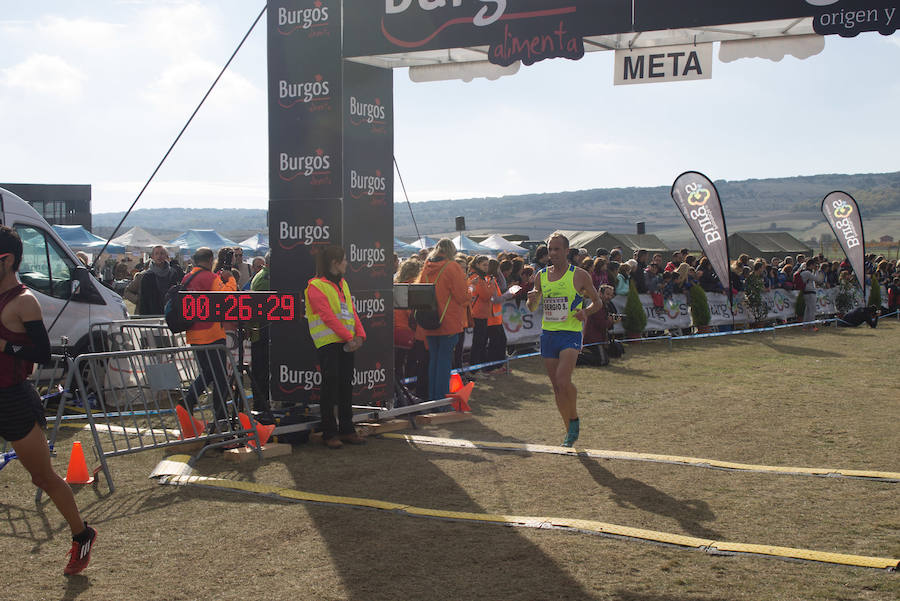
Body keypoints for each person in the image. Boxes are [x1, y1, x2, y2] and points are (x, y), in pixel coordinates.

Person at [0, 226, 97, 575]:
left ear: (7, 260)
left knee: (43, 478)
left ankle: (82, 533)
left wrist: (7, 346)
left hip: (13, 399)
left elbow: (43, 352)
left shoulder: (25, 301)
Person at [527, 233, 602, 447]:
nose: (552, 253)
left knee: (562, 380)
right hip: (549, 334)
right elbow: (532, 307)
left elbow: (597, 303)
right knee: (557, 387)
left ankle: (574, 417)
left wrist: (585, 312)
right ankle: (569, 428)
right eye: (550, 249)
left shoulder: (579, 275)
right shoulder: (540, 275)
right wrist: (531, 301)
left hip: (570, 333)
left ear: (567, 251)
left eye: (557, 249)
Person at [305, 245, 367, 448]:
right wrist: (349, 336)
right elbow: (327, 316)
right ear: (334, 262)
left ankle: (347, 430)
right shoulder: (315, 286)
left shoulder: (343, 283)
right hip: (328, 343)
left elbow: (351, 310)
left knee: (346, 386)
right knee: (330, 388)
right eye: (344, 259)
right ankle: (329, 432)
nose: (347, 263)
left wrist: (361, 334)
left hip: (346, 342)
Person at [182, 247, 237, 428]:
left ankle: (188, 401)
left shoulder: (187, 278)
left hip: (193, 334)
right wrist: (230, 279)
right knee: (220, 377)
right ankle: (220, 417)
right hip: (211, 334)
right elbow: (227, 296)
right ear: (210, 259)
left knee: (207, 373)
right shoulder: (209, 278)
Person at [415, 238, 469, 403]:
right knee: (444, 362)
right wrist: (469, 294)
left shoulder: (427, 266)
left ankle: (433, 399)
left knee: (434, 360)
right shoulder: (452, 267)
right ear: (451, 251)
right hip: (448, 321)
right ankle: (441, 401)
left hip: (428, 320)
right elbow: (462, 297)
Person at [468, 255, 512, 377]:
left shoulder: (480, 277)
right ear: (477, 265)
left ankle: (479, 369)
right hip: (479, 314)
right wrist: (491, 285)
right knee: (479, 343)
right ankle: (475, 370)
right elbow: (486, 295)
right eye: (484, 265)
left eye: (487, 265)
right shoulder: (477, 277)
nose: (486, 268)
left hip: (483, 314)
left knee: (481, 343)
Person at [248, 252, 272, 420]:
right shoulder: (264, 279)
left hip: (264, 332)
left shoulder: (263, 276)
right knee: (261, 373)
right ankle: (261, 407)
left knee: (263, 373)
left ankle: (263, 405)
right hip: (261, 333)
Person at [137, 246, 180, 316]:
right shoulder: (147, 275)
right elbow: (144, 299)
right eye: (156, 254)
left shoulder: (173, 273)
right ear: (152, 256)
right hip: (152, 313)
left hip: (170, 312)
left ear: (166, 256)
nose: (159, 256)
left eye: (162, 253)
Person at [798, 257, 819, 331]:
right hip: (810, 292)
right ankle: (811, 326)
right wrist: (817, 271)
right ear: (811, 265)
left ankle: (805, 325)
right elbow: (817, 279)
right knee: (811, 310)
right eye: (814, 265)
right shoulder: (808, 273)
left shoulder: (803, 272)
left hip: (806, 292)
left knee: (807, 310)